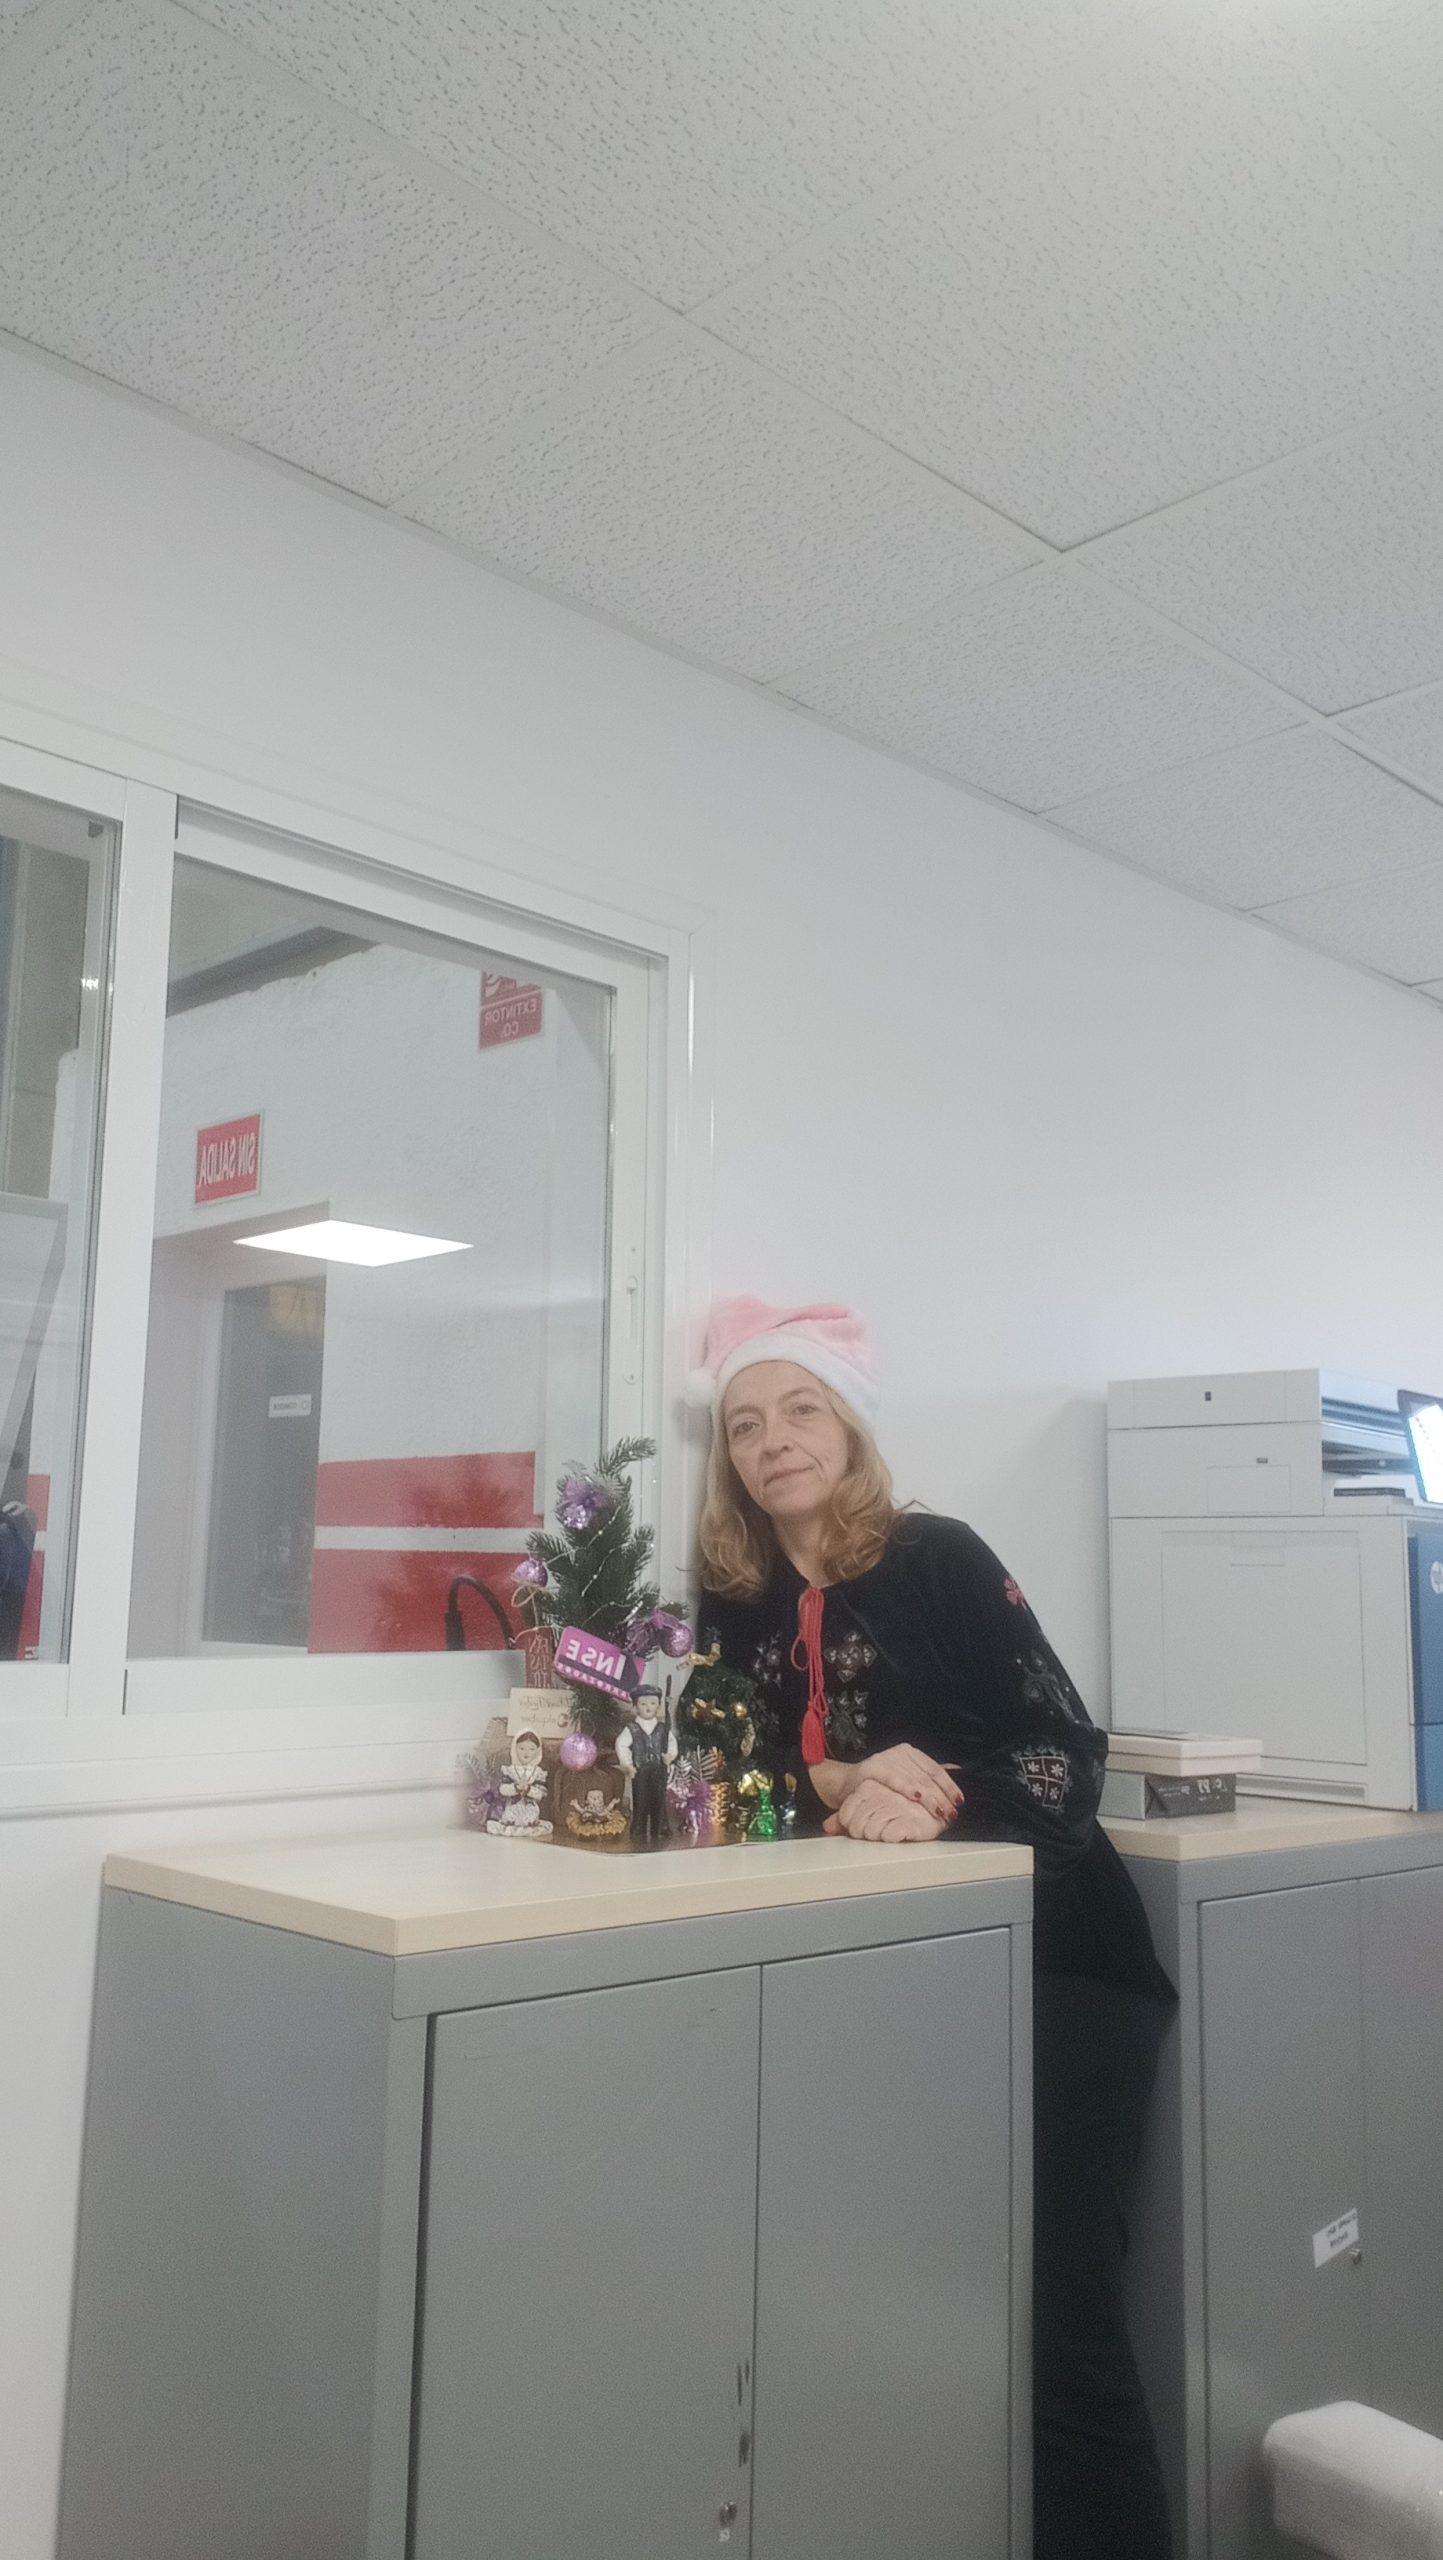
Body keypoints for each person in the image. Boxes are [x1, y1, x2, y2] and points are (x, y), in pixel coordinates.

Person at [689, 1297, 1177, 2560]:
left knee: (1064, 2322)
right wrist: (843, 1780)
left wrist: (933, 1806)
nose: (773, 1440)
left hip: (1064, 1967)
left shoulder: (937, 1556)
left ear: (850, 1424)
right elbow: (720, 1775)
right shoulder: (734, 1602)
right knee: (918, 2323)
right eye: (745, 1424)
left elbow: (1066, 1749)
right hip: (901, 1993)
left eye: (801, 1408)